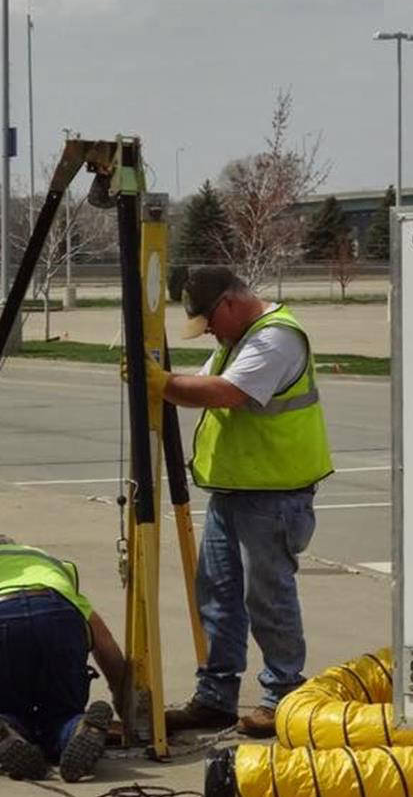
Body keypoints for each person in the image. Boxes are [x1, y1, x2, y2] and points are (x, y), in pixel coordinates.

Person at [142, 265, 333, 738]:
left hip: (273, 494)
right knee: (218, 594)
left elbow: (225, 393)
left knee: (267, 597)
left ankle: (284, 694)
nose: (208, 332)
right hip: (235, 491)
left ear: (229, 303)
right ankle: (215, 696)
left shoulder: (275, 339)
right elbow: (203, 383)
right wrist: (166, 379)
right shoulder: (236, 341)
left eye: (209, 320)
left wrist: (160, 383)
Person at [0, 535, 127, 782]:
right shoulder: (48, 563)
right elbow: (103, 641)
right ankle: (78, 728)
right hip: (57, 613)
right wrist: (123, 698)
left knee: (4, 710)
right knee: (62, 713)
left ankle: (4, 731)